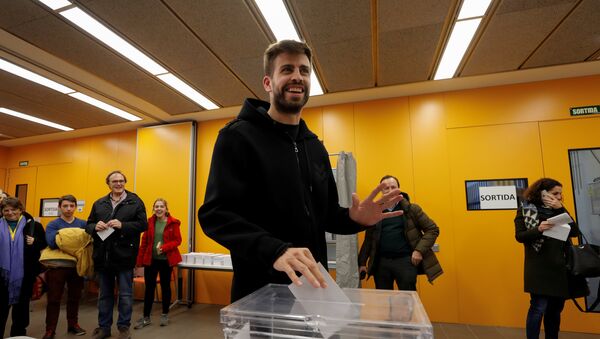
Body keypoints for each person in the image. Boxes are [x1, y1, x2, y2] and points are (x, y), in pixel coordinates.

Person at [198, 40, 402, 302]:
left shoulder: (314, 147)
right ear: (268, 83)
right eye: (287, 69)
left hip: (313, 288)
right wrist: (275, 251)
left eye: (304, 71)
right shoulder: (237, 137)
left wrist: (354, 219)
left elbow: (325, 215)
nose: (297, 76)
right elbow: (216, 215)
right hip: (260, 291)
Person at [515, 178, 588, 339]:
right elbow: (520, 236)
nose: (559, 197)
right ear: (542, 193)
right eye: (555, 193)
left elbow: (574, 232)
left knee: (555, 310)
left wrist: (561, 209)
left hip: (560, 267)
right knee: (538, 308)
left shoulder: (559, 209)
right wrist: (538, 229)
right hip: (539, 268)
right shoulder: (526, 209)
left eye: (561, 194)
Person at [86, 170, 147, 339]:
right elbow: (89, 224)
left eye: (121, 181)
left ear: (125, 182)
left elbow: (143, 225)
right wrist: (93, 227)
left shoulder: (135, 201)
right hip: (103, 257)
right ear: (109, 184)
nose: (118, 184)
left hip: (125, 256)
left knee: (126, 295)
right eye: (115, 181)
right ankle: (104, 328)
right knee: (104, 296)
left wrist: (123, 225)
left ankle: (123, 328)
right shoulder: (99, 203)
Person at [358, 175, 442, 290]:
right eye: (386, 188)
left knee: (407, 302)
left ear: (399, 190)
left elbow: (432, 229)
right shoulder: (375, 212)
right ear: (381, 191)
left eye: (393, 187)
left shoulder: (412, 209)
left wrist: (419, 251)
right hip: (381, 264)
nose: (390, 191)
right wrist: (362, 263)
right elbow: (368, 240)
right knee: (384, 302)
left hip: (405, 262)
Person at [42, 195, 87, 339]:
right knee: (54, 299)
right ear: (59, 207)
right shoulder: (53, 224)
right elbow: (52, 242)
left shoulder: (82, 224)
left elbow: (86, 244)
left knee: (74, 298)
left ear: (75, 207)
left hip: (77, 266)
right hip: (57, 267)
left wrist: (63, 237)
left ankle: (73, 324)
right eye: (65, 206)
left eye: (71, 206)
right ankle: (50, 330)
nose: (68, 209)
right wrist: (75, 239)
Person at [0, 197, 47, 337]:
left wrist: (35, 242)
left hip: (24, 276)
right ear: (2, 211)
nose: (10, 213)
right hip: (2, 276)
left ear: (20, 210)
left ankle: (18, 335)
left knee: (21, 311)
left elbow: (44, 244)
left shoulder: (34, 226)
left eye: (13, 210)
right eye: (6, 210)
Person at [134, 198, 182, 329]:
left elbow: (178, 241)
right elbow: (144, 242)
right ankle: (146, 317)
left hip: (166, 261)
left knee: (166, 287)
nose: (159, 209)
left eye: (161, 206)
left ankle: (165, 314)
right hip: (151, 261)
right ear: (153, 209)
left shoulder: (173, 223)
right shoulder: (149, 222)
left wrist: (164, 248)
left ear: (166, 208)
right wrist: (139, 261)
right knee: (149, 288)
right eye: (156, 207)